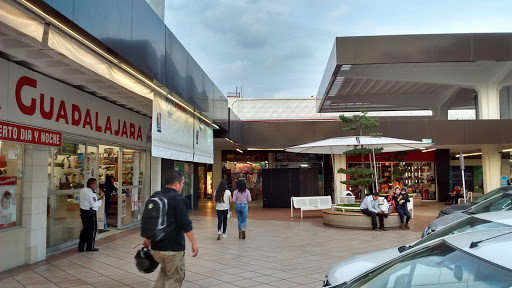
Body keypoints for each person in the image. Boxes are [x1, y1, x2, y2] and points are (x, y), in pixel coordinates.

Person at [143, 171, 198, 288]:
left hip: (156, 247)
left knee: (164, 273)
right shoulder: (179, 200)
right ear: (177, 184)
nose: (182, 186)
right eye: (182, 183)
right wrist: (194, 243)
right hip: (173, 248)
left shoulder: (155, 196)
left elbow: (149, 218)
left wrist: (147, 238)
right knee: (174, 278)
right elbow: (185, 224)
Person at [78, 178, 104, 252]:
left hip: (84, 211)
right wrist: (100, 201)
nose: (96, 185)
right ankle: (90, 246)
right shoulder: (91, 193)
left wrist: (98, 197)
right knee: (93, 230)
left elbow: (90, 200)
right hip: (90, 213)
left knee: (85, 229)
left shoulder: (83, 190)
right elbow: (94, 204)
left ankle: (81, 245)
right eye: (95, 184)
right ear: (91, 184)